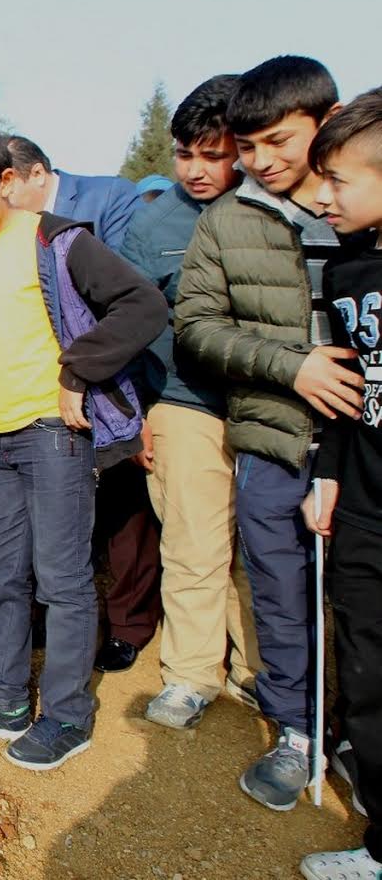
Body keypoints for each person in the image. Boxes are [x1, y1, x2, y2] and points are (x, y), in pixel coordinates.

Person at [0, 122, 163, 771]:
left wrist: (77, 374)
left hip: (54, 438)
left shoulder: (56, 241)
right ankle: (0, 699)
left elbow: (142, 306)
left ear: (5, 183)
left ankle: (66, 716)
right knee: (2, 572)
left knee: (62, 579)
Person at [176, 55, 351, 812]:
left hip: (364, 448)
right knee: (281, 593)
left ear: (329, 119)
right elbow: (197, 331)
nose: (264, 161)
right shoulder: (226, 222)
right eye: (249, 147)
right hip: (275, 438)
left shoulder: (367, 209)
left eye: (280, 140)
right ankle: (297, 731)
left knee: (364, 601)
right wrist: (291, 367)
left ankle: (358, 738)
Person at [120, 74, 263, 729]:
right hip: (182, 403)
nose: (197, 170)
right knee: (194, 544)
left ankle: (263, 675)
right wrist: (138, 411)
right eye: (185, 154)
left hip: (273, 409)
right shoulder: (152, 225)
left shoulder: (280, 211)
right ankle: (192, 675)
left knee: (265, 551)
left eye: (214, 154)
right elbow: (119, 322)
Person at [297, 86, 382, 880]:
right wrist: (327, 474)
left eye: (338, 182)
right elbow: (353, 393)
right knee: (364, 669)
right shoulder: (351, 272)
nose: (320, 197)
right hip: (364, 504)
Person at [6, 134, 142, 251]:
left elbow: (126, 274)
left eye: (7, 189)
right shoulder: (8, 226)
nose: (1, 199)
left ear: (38, 174)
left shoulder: (112, 196)